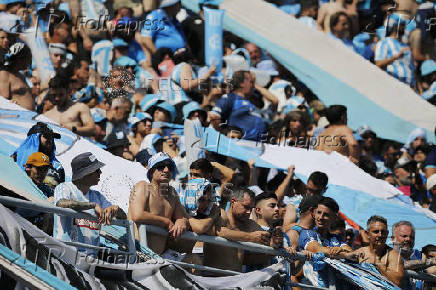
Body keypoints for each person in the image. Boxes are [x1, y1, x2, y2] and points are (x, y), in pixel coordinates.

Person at [54, 152, 126, 255]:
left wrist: (115, 209)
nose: (100, 172)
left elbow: (123, 218)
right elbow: (60, 203)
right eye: (96, 170)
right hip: (65, 254)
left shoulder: (98, 196)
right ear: (84, 173)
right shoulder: (65, 187)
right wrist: (92, 205)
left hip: (90, 260)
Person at [203, 187, 283, 272]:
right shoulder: (222, 214)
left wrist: (276, 242)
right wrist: (250, 237)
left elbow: (268, 240)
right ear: (233, 202)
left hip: (237, 279)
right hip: (212, 278)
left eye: (251, 208)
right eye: (245, 207)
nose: (249, 212)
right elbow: (219, 231)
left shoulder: (250, 224)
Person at [128, 153, 190, 255]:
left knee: (194, 259)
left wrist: (181, 222)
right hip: (138, 254)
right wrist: (166, 222)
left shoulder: (172, 193)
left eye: (170, 167)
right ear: (151, 171)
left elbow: (184, 218)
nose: (166, 170)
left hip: (160, 257)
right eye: (161, 166)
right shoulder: (142, 186)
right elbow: (137, 215)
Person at [298, 197, 354, 287]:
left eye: (326, 215)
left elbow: (353, 254)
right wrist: (344, 254)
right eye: (319, 212)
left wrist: (341, 251)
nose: (321, 217)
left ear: (334, 218)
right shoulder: (307, 233)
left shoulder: (337, 239)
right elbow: (316, 249)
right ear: (314, 213)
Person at [209, 70, 267, 141]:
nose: (253, 86)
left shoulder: (251, 102)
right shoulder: (230, 98)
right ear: (242, 83)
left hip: (257, 147)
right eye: (251, 82)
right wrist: (223, 139)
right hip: (240, 146)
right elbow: (213, 116)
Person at [354, 215, 404, 286]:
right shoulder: (361, 251)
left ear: (387, 233)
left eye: (383, 232)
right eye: (376, 231)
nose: (380, 235)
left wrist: (378, 264)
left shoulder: (393, 255)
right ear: (367, 234)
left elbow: (397, 281)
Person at [391, 220, 436, 288]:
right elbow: (401, 265)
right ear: (393, 239)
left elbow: (430, 270)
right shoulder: (386, 254)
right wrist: (431, 262)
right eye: (404, 236)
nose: (408, 239)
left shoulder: (418, 255)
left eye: (412, 237)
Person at [375, 13, 415, 86]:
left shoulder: (406, 45)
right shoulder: (384, 43)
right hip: (393, 85)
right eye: (402, 24)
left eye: (404, 24)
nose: (404, 27)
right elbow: (378, 63)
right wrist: (395, 57)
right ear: (394, 25)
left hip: (409, 88)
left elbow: (412, 69)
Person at [0, 42, 33, 110]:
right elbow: (3, 100)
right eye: (28, 58)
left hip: (29, 117)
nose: (29, 61)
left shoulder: (21, 76)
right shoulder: (4, 74)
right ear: (19, 59)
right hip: (17, 118)